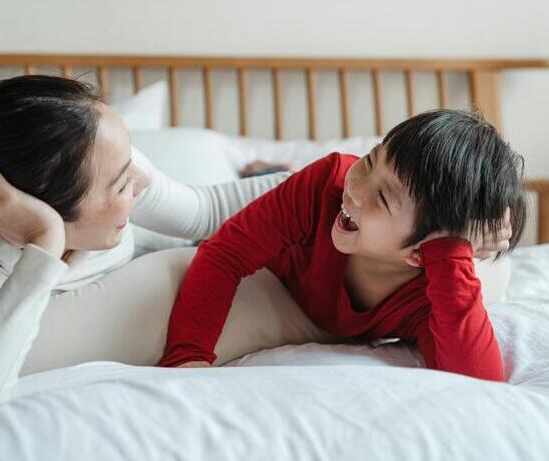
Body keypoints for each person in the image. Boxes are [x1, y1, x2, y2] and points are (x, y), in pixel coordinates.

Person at [0, 75, 291, 413]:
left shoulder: (107, 161)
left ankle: (258, 170)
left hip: (175, 242)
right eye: (121, 184)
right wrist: (44, 244)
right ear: (50, 208)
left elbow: (203, 209)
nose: (137, 187)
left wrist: (330, 181)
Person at [157, 109, 526, 381]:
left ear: (420, 253)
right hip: (284, 219)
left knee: (498, 271)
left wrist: (452, 254)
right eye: (369, 161)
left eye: (382, 197)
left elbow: (479, 381)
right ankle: (264, 169)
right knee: (211, 215)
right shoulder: (330, 183)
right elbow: (225, 253)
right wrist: (187, 360)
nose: (357, 186)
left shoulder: (427, 290)